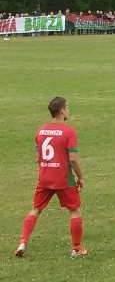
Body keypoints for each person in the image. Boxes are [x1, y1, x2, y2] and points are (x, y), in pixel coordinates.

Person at [15, 96, 87, 258]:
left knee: (36, 209)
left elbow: (39, 157)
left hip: (45, 177)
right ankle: (76, 249)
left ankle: (23, 242)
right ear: (62, 111)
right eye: (67, 107)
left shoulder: (40, 131)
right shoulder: (69, 132)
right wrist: (80, 177)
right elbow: (73, 159)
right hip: (63, 178)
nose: (68, 110)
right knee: (75, 210)